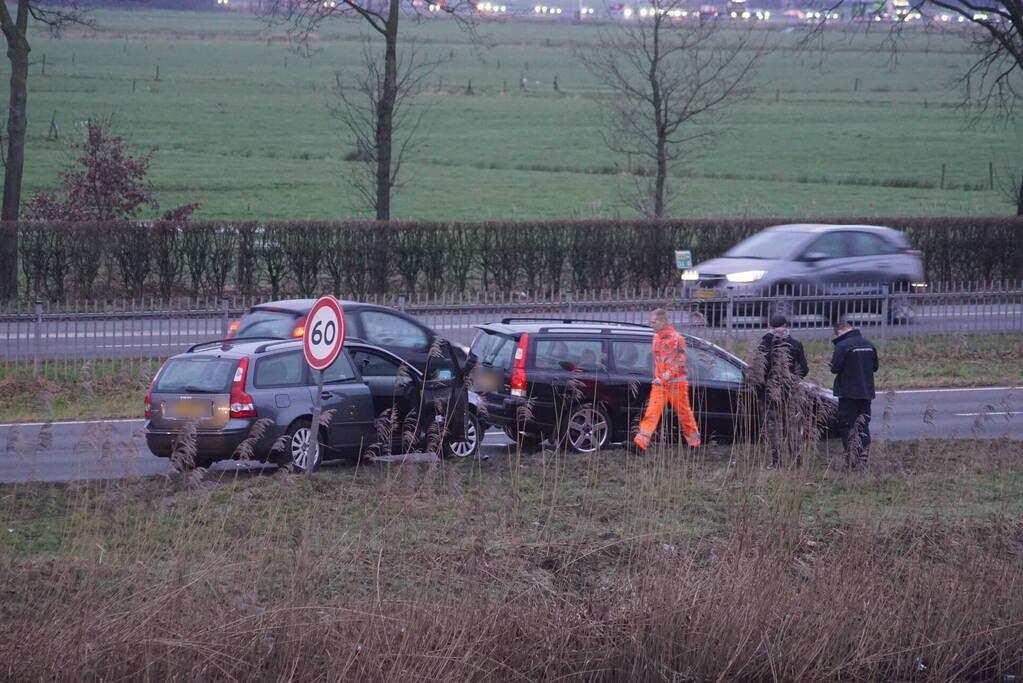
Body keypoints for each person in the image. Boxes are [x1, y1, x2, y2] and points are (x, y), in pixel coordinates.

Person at [633, 309, 701, 451]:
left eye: (654, 322)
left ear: (663, 321)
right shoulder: (656, 338)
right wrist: (659, 378)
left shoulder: (676, 339)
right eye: (650, 322)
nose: (651, 325)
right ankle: (640, 445)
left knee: (684, 415)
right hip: (660, 385)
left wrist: (663, 378)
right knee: (651, 413)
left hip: (677, 385)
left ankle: (694, 444)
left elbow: (678, 364)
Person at [757, 314, 808, 466]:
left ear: (769, 326)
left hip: (769, 393)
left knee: (772, 428)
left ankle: (776, 461)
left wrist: (761, 389)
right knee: (791, 426)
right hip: (790, 392)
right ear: (786, 325)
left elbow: (759, 371)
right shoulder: (796, 345)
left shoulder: (764, 345)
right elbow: (804, 369)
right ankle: (797, 460)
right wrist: (793, 380)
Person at [830, 320, 878, 470]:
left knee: (847, 426)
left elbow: (835, 368)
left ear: (839, 332)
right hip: (866, 392)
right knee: (863, 425)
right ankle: (863, 458)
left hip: (848, 393)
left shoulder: (842, 346)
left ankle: (852, 460)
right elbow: (875, 367)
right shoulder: (869, 344)